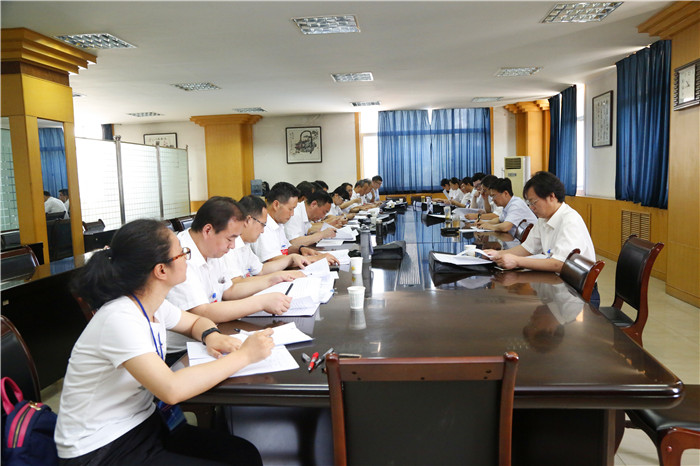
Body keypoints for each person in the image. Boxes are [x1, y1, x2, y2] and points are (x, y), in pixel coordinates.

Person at [56, 219, 269, 465]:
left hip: (142, 423)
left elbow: (195, 322)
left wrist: (212, 336)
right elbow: (172, 389)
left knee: (243, 454)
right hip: (101, 448)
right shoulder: (119, 318)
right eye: (182, 253)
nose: (187, 257)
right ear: (161, 270)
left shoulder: (152, 304)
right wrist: (245, 356)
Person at [165, 196, 291, 360]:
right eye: (230, 239)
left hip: (213, 336)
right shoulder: (180, 256)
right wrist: (261, 302)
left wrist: (271, 280)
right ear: (208, 230)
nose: (232, 246)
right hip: (183, 352)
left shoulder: (211, 249)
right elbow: (202, 312)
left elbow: (229, 290)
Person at [485, 171, 596, 276]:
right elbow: (527, 248)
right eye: (529, 203)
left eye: (533, 202)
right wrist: (498, 254)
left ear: (551, 197)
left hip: (573, 286)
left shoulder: (570, 220)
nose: (531, 207)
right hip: (556, 278)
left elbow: (559, 263)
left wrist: (517, 261)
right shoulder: (543, 219)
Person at [223, 195, 309, 286]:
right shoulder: (230, 246)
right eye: (262, 225)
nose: (262, 231)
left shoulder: (245, 244)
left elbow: (261, 270)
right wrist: (277, 276)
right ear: (248, 220)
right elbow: (236, 283)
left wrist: (290, 258)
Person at [251, 182, 338, 265]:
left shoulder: (278, 223)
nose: (292, 214)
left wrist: (301, 249)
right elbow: (274, 260)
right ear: (276, 205)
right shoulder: (263, 226)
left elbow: (286, 248)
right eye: (290, 209)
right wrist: (314, 259)